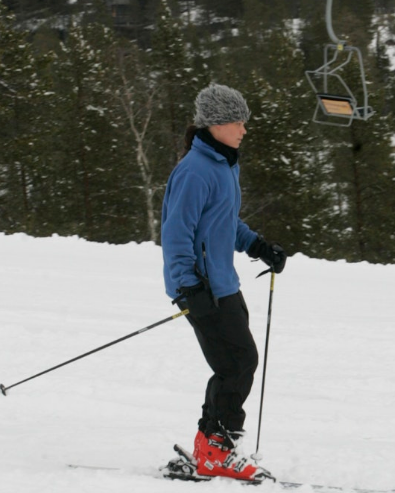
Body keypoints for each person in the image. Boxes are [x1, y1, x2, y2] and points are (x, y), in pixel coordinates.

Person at [161, 83, 287, 482]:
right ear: (216, 124)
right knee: (236, 363)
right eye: (238, 122)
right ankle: (216, 448)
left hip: (223, 282)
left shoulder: (224, 164)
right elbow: (176, 234)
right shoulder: (194, 172)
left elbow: (222, 223)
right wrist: (188, 289)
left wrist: (257, 245)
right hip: (201, 287)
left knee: (235, 362)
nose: (244, 130)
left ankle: (210, 444)